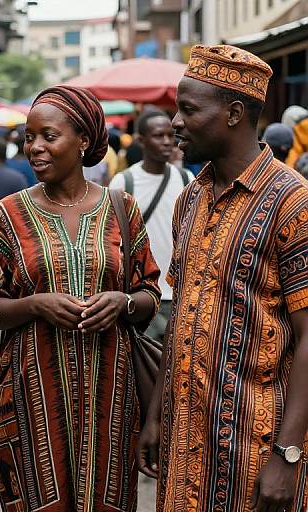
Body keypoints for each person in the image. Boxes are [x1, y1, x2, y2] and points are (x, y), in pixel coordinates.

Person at [0, 85, 161, 511]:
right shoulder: (9, 214)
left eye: (48, 136)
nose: (35, 147)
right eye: (28, 138)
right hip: (31, 399)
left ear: (84, 142)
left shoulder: (120, 208)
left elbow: (149, 291)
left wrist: (122, 302)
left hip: (112, 399)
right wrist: (35, 305)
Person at [138, 45, 308, 512]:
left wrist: (288, 455)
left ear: (233, 113)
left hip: (255, 452)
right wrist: (156, 415)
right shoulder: (189, 200)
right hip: (184, 445)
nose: (175, 123)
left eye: (189, 110)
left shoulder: (293, 202)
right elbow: (182, 312)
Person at [110, 111, 193, 341]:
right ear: (141, 140)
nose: (167, 142)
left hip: (179, 295)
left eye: (170, 135)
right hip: (141, 297)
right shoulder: (124, 183)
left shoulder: (187, 180)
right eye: (158, 136)